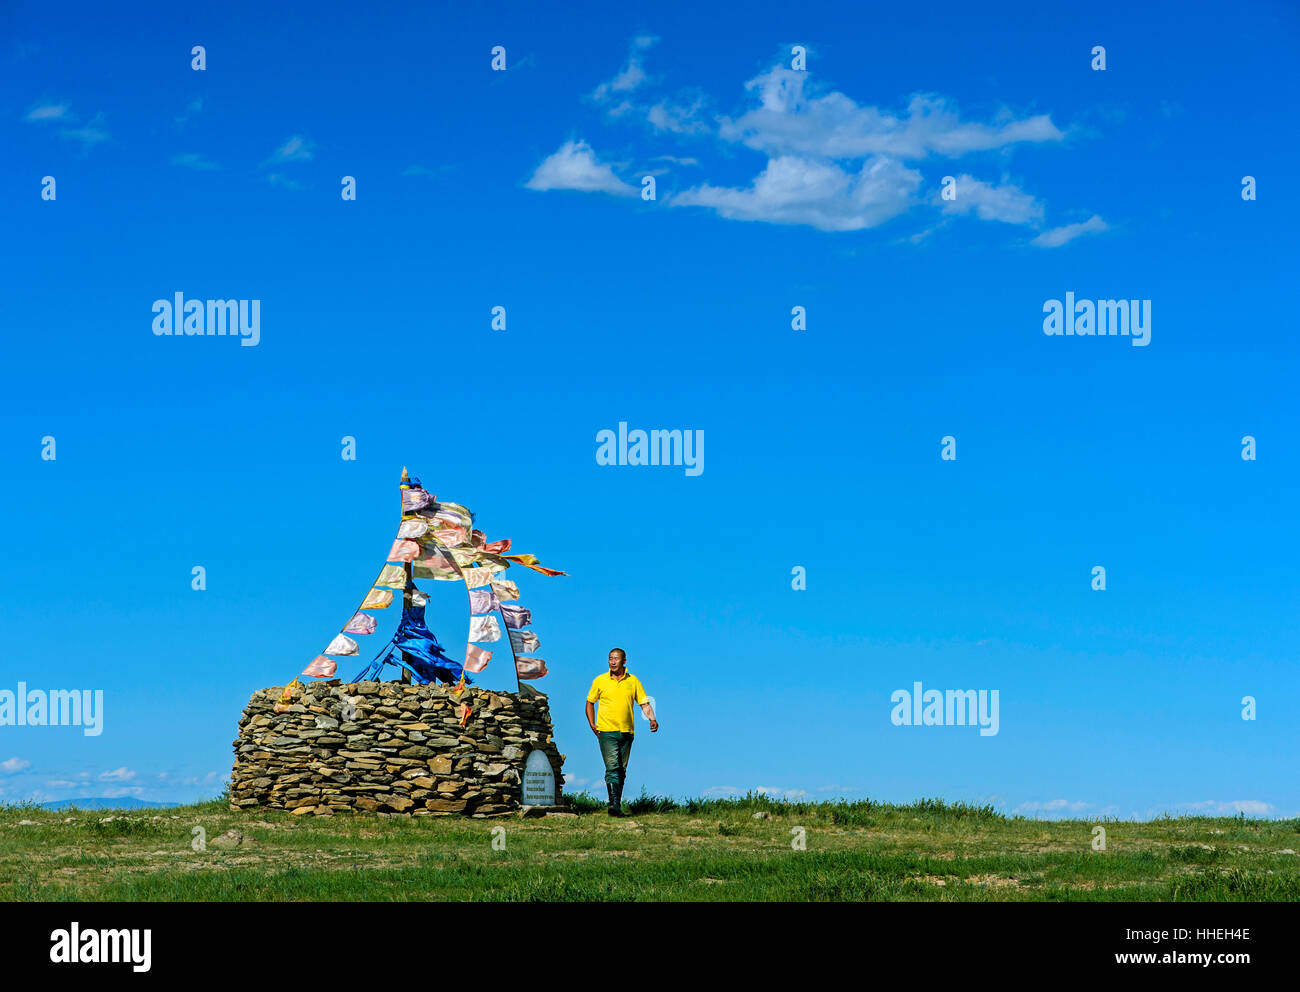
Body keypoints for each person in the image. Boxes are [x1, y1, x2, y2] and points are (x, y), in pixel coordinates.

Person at [585, 648, 657, 817]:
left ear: (624, 661)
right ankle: (614, 805)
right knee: (612, 767)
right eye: (610, 658)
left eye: (616, 659)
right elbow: (589, 702)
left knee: (621, 770)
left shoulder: (633, 681)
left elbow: (644, 703)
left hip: (627, 732)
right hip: (606, 731)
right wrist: (592, 724)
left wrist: (652, 719)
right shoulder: (600, 681)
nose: (612, 661)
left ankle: (616, 804)